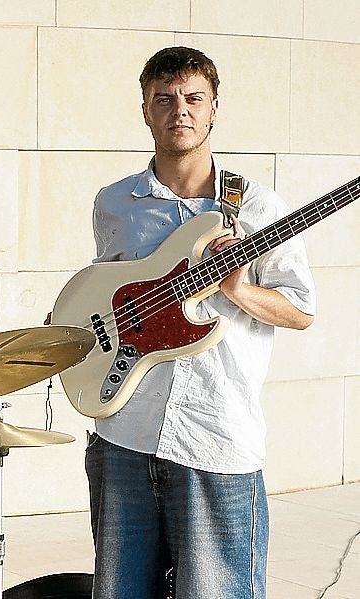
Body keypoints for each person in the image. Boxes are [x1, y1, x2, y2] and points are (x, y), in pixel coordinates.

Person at [85, 46, 315, 598]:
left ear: (213, 109)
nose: (178, 110)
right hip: (125, 431)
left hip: (217, 436)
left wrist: (238, 288)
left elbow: (301, 310)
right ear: (145, 110)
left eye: (193, 98)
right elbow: (109, 293)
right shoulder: (115, 203)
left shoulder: (260, 207)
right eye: (163, 99)